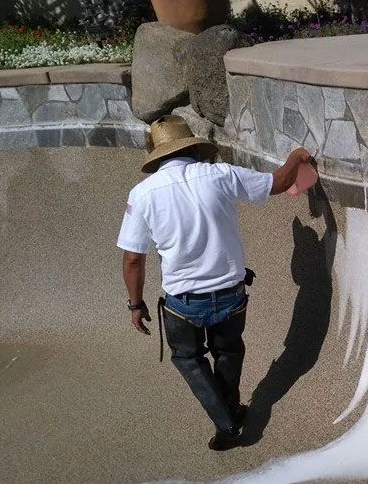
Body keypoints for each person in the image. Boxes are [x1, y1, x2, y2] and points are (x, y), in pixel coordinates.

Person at [117, 115, 312, 450]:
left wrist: (135, 304)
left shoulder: (143, 194)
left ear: (155, 155)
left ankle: (228, 423)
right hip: (231, 294)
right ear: (191, 146)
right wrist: (296, 157)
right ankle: (233, 410)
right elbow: (278, 183)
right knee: (228, 351)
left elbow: (133, 257)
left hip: (183, 303)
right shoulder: (220, 174)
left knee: (188, 359)